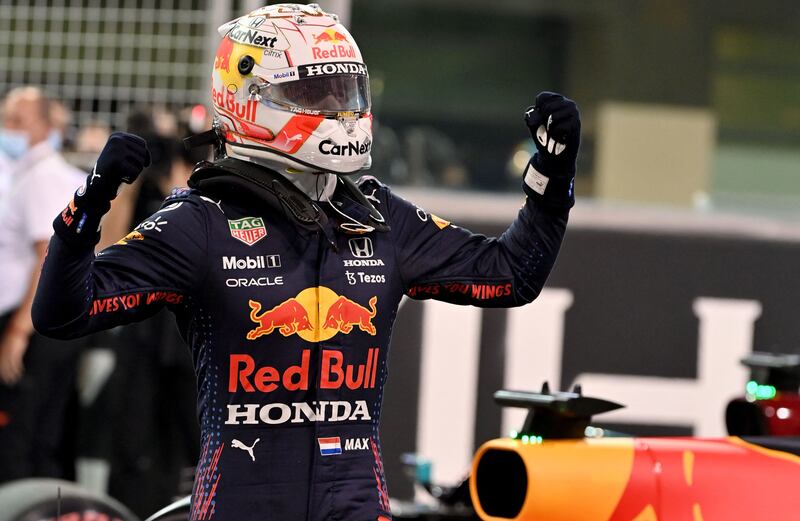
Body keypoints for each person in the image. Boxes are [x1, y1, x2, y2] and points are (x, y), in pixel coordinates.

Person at [32, 4, 580, 520]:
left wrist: (550, 186)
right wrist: (92, 202)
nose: (340, 110)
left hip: (358, 503)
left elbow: (512, 275)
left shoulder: (379, 215)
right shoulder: (198, 222)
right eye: (317, 92)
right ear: (248, 98)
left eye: (347, 90)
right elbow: (62, 313)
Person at [0, 86, 86, 482]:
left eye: (18, 122)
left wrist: (19, 330)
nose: (8, 129)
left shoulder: (43, 177)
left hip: (37, 327)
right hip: (41, 322)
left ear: (47, 126)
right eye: (6, 120)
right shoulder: (31, 174)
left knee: (25, 436)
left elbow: (48, 255)